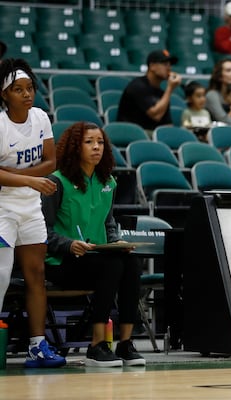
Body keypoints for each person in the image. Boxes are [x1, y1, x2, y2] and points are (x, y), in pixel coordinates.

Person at [41, 122, 145, 368]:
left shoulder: (107, 181)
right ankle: (97, 345)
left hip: (96, 258)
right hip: (61, 262)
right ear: (74, 147)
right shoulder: (55, 182)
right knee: (111, 267)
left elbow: (108, 222)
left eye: (100, 142)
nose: (96, 147)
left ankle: (126, 343)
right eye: (89, 142)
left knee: (130, 262)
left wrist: (116, 241)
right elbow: (41, 231)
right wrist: (68, 244)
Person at [0, 58, 65, 368]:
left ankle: (37, 346)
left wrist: (21, 177)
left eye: (29, 88)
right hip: (2, 208)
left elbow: (51, 161)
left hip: (30, 207)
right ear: (4, 94)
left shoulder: (40, 117)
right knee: (0, 275)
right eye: (17, 89)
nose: (26, 94)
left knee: (36, 275)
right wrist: (30, 179)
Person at [117, 49, 182, 135]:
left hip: (152, 136)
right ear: (152, 66)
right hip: (131, 134)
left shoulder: (162, 94)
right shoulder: (138, 86)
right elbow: (156, 115)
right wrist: (170, 88)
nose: (169, 68)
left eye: (170, 65)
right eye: (165, 64)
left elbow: (168, 125)